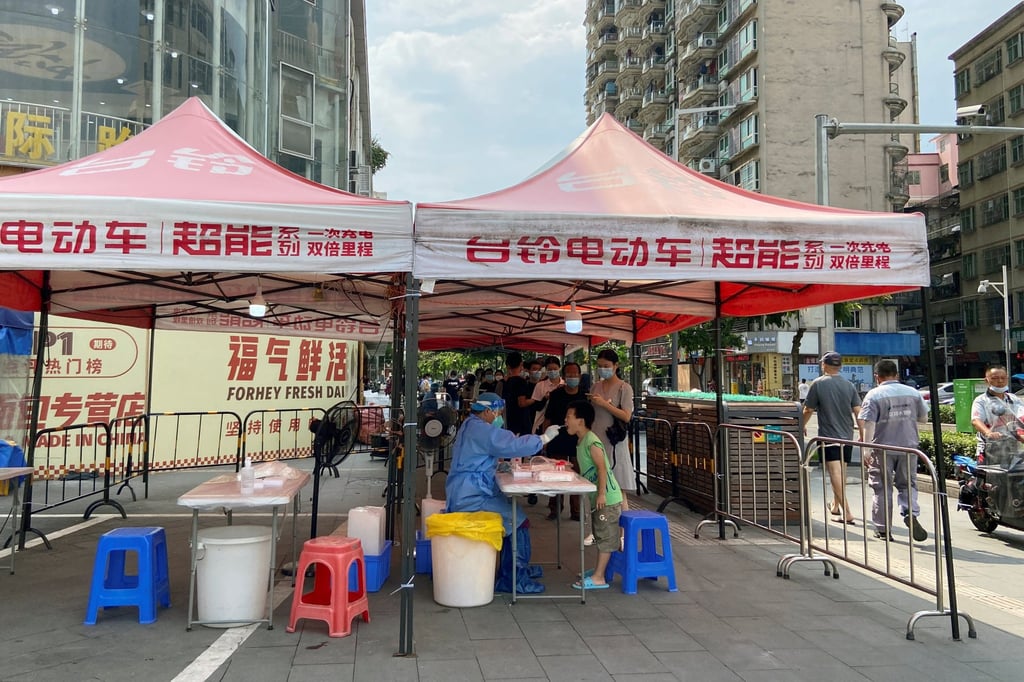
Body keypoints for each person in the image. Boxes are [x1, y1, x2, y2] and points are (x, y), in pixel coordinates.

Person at [445, 392, 561, 594]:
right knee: (519, 521)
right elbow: (511, 445)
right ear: (488, 411)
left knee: (512, 513)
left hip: (467, 489)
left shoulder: (470, 424)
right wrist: (543, 438)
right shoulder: (482, 429)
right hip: (472, 496)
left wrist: (498, 467)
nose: (498, 416)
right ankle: (514, 578)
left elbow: (482, 454)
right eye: (497, 412)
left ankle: (515, 569)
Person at [858, 360, 929, 542]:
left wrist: (866, 450)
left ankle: (883, 529)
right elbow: (923, 419)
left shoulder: (873, 395)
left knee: (881, 487)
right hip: (909, 447)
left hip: (883, 448)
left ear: (877, 376)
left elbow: (869, 424)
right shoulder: (913, 393)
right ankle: (910, 512)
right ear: (897, 374)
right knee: (908, 484)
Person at [565, 399, 622, 590]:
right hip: (599, 497)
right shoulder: (581, 441)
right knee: (599, 533)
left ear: (581, 420)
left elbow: (602, 468)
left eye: (569, 417)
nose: (565, 420)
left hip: (607, 498)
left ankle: (599, 577)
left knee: (605, 537)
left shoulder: (592, 440)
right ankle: (599, 570)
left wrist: (601, 495)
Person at [802, 352, 863, 525]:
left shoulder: (818, 384)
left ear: (824, 365)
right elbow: (858, 410)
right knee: (841, 473)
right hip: (847, 435)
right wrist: (863, 433)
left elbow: (808, 410)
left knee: (835, 473)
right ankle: (835, 506)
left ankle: (848, 512)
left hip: (829, 436)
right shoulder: (849, 385)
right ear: (840, 366)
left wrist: (801, 425)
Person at [588, 348, 635, 505]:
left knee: (617, 485)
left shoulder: (624, 388)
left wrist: (604, 404)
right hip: (596, 439)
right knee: (598, 484)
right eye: (599, 366)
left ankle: (623, 528)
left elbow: (626, 416)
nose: (602, 369)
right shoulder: (595, 387)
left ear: (616, 366)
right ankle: (601, 526)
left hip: (614, 441)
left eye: (606, 366)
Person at [543, 361, 583, 521]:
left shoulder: (584, 395)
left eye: (575, 374)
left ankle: (576, 511)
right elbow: (548, 418)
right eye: (569, 375)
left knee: (577, 476)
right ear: (564, 376)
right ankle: (555, 508)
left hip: (577, 442)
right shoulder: (556, 394)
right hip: (557, 441)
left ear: (580, 376)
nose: (572, 377)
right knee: (556, 476)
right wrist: (545, 439)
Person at [970, 365, 1024, 468]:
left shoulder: (1013, 399)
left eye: (1003, 378)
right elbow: (976, 420)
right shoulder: (981, 400)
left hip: (1013, 446)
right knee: (988, 479)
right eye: (995, 378)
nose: (1000, 381)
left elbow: (1021, 417)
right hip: (990, 447)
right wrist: (988, 432)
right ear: (987, 380)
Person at [529, 356, 563, 434]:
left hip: (561, 422)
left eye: (555, 369)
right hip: (542, 423)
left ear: (559, 368)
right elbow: (536, 407)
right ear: (546, 369)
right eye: (549, 369)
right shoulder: (540, 385)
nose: (552, 371)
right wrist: (545, 398)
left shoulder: (565, 385)